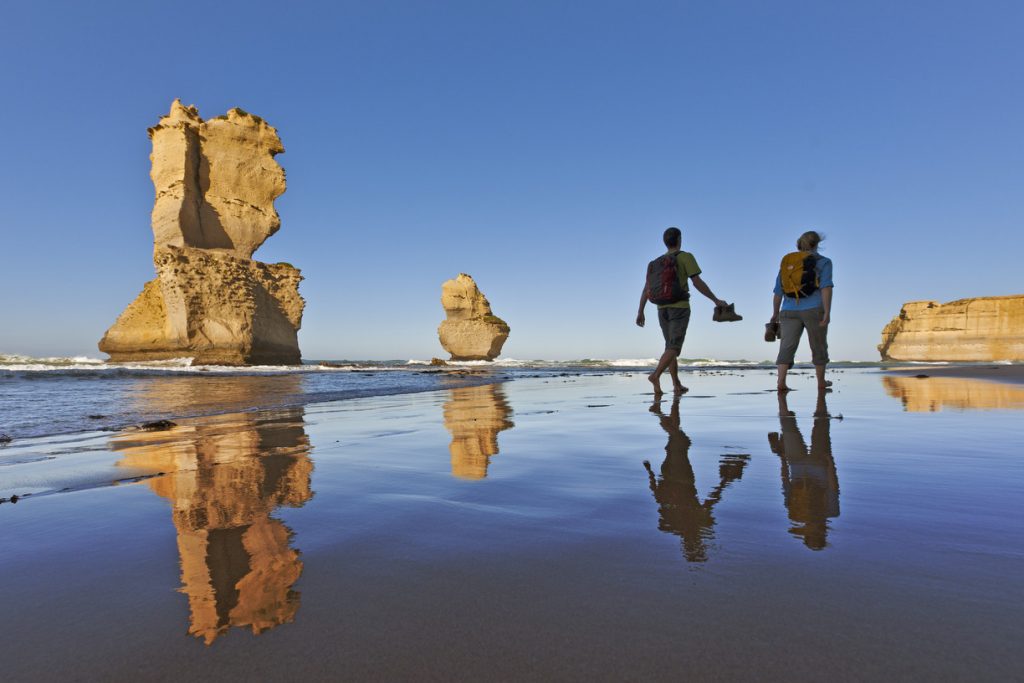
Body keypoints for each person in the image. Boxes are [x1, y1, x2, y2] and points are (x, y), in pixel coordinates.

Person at [643, 395, 749, 562]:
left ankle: (660, 413)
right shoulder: (689, 524)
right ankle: (660, 413)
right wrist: (724, 482)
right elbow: (711, 499)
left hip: (678, 477)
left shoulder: (679, 524)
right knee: (678, 441)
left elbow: (659, 498)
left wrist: (649, 472)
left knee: (679, 441)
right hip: (677, 476)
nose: (700, 542)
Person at [636, 227, 729, 396]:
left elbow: (646, 289)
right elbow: (697, 282)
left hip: (661, 308)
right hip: (679, 307)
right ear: (679, 239)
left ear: (665, 242)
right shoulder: (685, 257)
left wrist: (640, 311)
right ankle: (655, 375)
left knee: (669, 346)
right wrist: (715, 300)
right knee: (674, 347)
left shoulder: (656, 262)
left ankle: (676, 384)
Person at [767, 389, 840, 550]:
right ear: (822, 534)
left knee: (796, 424)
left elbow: (786, 485)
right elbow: (833, 487)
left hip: (799, 465)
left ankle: (783, 396)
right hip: (814, 467)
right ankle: (817, 392)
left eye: (811, 535)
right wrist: (830, 462)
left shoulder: (796, 514)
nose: (813, 530)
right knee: (819, 424)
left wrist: (783, 460)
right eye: (817, 535)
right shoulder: (830, 512)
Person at [770, 230, 833, 392]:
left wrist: (775, 313)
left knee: (786, 346)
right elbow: (826, 287)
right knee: (818, 345)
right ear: (817, 244)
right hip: (813, 309)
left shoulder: (788, 263)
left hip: (788, 310)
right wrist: (827, 311)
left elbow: (778, 292)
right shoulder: (824, 262)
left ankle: (781, 382)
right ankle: (821, 382)